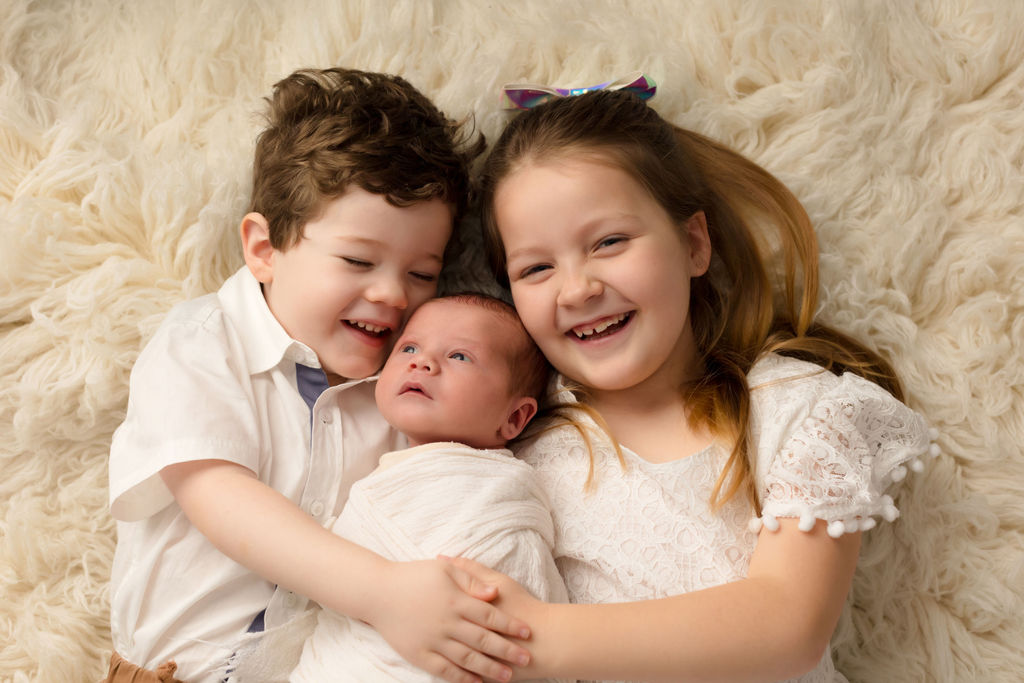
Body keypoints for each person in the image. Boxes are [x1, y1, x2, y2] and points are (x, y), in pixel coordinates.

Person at [445, 88, 938, 682]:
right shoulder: (511, 436)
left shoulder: (795, 412)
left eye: (609, 242)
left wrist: (533, 637)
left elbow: (787, 628)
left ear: (693, 243)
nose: (576, 290)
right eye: (536, 268)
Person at [105, 68, 533, 683]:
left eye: (422, 273)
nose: (391, 294)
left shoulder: (407, 386)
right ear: (264, 248)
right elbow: (221, 499)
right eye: (358, 260)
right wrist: (384, 593)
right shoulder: (203, 343)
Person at [281, 294, 567, 683]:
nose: (422, 362)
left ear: (514, 417)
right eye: (409, 347)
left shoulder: (491, 492)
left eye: (460, 356)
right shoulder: (387, 469)